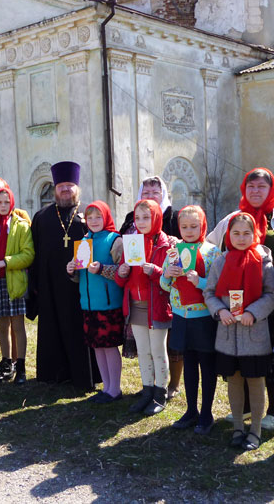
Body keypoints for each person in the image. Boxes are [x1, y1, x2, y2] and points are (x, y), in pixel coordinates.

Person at [206, 167, 274, 431]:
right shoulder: (232, 219)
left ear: (272, 189)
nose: (256, 191)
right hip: (236, 305)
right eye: (251, 186)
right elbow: (209, 247)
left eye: (261, 186)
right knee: (242, 352)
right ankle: (244, 408)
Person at [204, 212, 274, 451]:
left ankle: (255, 430)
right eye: (236, 233)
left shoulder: (264, 261)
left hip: (254, 334)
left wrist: (253, 312)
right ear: (228, 235)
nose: (241, 237)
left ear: (254, 233)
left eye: (247, 233)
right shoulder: (221, 261)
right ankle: (237, 426)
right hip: (228, 334)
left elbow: (271, 295)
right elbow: (210, 293)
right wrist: (219, 311)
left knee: (255, 382)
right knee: (234, 381)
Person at [28, 161, 99, 390]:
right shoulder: (42, 216)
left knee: (80, 329)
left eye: (70, 185)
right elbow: (35, 253)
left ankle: (83, 374)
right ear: (54, 188)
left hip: (81, 285)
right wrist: (36, 285)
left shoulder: (89, 216)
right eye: (61, 186)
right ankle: (55, 373)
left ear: (77, 188)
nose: (65, 189)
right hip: (50, 286)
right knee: (53, 328)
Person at [118, 175, 183, 400]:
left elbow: (171, 280)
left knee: (158, 351)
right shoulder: (132, 241)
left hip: (157, 306)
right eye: (138, 218)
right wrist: (122, 271)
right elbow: (120, 279)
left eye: (147, 217)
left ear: (156, 217)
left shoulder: (166, 244)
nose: (142, 222)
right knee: (143, 351)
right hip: (136, 305)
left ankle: (161, 392)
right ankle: (147, 390)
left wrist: (154, 271)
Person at [160, 206, 222, 433]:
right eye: (184, 227)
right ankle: (190, 410)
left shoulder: (212, 252)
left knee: (207, 365)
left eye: (194, 226)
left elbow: (219, 288)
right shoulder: (174, 251)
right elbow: (164, 285)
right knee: (189, 365)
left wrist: (201, 282)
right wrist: (166, 275)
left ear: (202, 225)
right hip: (181, 316)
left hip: (204, 318)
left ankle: (206, 413)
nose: (188, 231)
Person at [66, 201, 124, 403]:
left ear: (106, 217)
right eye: (89, 218)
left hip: (108, 304)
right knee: (97, 346)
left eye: (98, 217)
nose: (94, 221)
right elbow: (79, 276)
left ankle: (115, 389)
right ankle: (106, 387)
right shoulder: (83, 241)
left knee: (109, 346)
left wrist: (102, 269)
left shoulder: (115, 240)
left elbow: (123, 272)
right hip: (88, 304)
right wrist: (72, 269)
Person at [0, 188, 35, 384]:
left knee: (17, 324)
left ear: (12, 203)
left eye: (6, 202)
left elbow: (28, 254)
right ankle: (6, 363)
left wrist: (4, 262)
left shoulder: (21, 225)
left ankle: (21, 367)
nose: (3, 206)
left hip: (13, 280)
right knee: (1, 324)